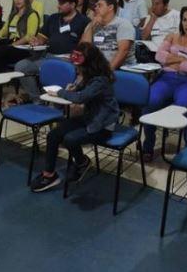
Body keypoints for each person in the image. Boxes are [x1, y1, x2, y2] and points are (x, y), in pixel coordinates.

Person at [29, 43, 120, 192]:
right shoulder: (87, 74)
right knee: (53, 135)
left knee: (70, 138)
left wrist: (60, 92)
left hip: (102, 124)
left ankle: (82, 162)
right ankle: (49, 174)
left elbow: (81, 98)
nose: (74, 59)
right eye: (74, 55)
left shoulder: (101, 79)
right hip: (89, 117)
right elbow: (80, 91)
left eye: (78, 56)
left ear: (89, 60)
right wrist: (73, 88)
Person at [141, 6, 187, 161]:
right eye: (184, 20)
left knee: (185, 106)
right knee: (150, 100)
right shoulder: (172, 36)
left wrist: (171, 58)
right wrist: (182, 59)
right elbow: (159, 56)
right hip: (166, 78)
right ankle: (148, 145)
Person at [13, 0, 89, 104]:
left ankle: (60, 101)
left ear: (73, 4)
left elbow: (85, 47)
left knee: (59, 69)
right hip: (47, 56)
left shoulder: (84, 21)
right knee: (21, 66)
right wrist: (37, 41)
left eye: (62, 3)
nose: (58, 6)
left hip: (67, 60)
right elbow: (42, 38)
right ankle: (37, 99)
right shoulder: (53, 18)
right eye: (58, 2)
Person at [82, 0, 136, 69]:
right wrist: (91, 26)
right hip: (96, 69)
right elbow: (84, 48)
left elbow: (123, 51)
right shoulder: (92, 24)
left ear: (110, 7)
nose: (95, 8)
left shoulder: (123, 24)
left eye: (99, 5)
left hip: (120, 71)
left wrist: (107, 73)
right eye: (96, 5)